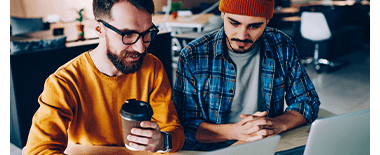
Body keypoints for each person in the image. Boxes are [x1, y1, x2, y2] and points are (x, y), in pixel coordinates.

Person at [24, 0, 185, 154]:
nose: (141, 48)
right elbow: (39, 150)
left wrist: (163, 141)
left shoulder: (153, 67)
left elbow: (174, 131)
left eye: (147, 33)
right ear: (99, 29)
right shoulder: (64, 82)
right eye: (128, 34)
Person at [173, 0, 321, 151]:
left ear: (267, 21)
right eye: (234, 23)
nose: (242, 36)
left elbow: (307, 101)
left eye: (254, 26)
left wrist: (277, 124)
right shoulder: (193, 55)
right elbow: (183, 125)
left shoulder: (282, 45)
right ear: (223, 14)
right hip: (213, 150)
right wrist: (236, 132)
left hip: (266, 146)